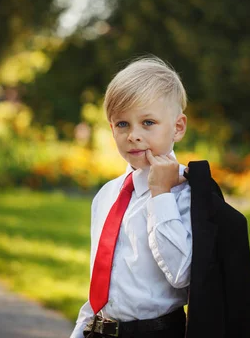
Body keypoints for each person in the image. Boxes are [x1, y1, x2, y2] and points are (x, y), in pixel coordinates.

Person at [70, 56, 191, 338]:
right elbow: (102, 281)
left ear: (178, 127)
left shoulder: (187, 193)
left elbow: (183, 275)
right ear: (111, 128)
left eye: (148, 122)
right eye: (122, 124)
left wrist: (161, 194)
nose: (133, 135)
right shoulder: (107, 195)